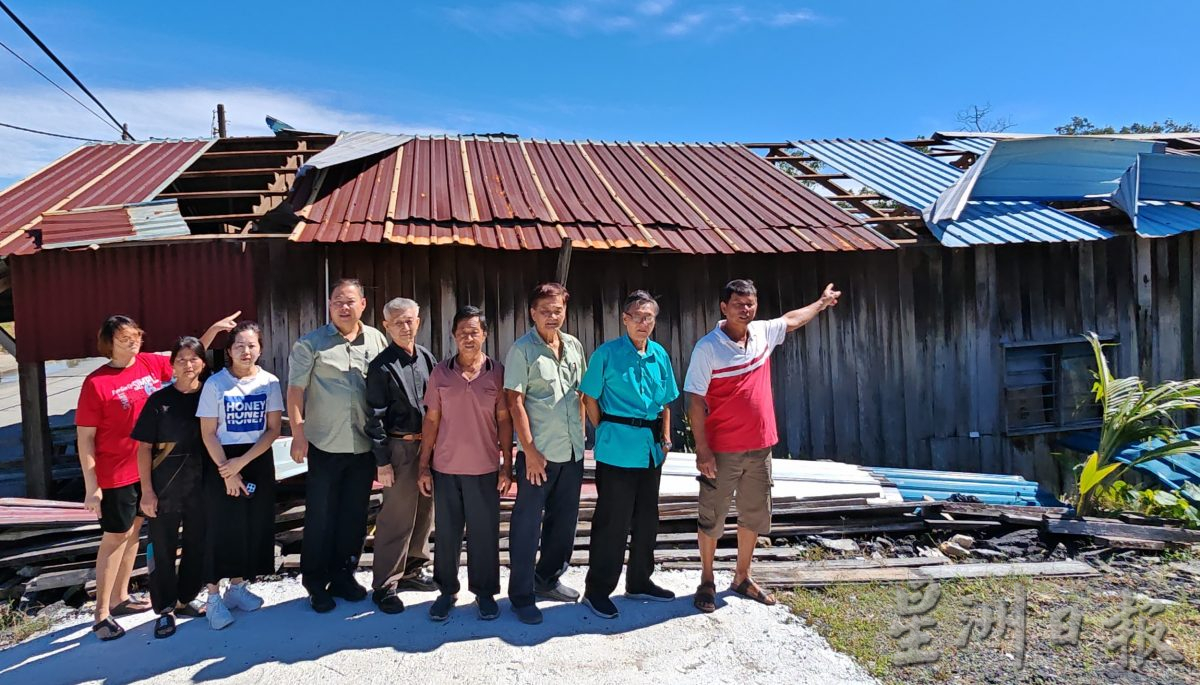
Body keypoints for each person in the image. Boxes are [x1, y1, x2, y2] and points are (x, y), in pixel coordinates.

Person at [77, 311, 239, 641]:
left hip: (154, 470)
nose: (133, 342)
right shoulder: (96, 383)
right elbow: (85, 438)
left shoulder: (150, 363)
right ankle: (101, 614)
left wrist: (212, 329)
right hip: (116, 473)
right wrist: (91, 486)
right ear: (109, 344)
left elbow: (188, 360)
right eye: (124, 338)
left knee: (135, 534)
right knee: (116, 537)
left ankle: (122, 597)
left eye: (136, 335)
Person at [684, 279, 840, 613]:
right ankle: (707, 579)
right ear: (723, 307)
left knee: (753, 513)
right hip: (722, 448)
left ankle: (742, 576)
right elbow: (695, 400)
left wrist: (821, 302)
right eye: (739, 303)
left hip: (760, 446)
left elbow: (793, 319)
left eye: (751, 303)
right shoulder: (707, 348)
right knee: (713, 514)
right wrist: (702, 449)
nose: (746, 309)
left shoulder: (762, 334)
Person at [288, 278, 388, 612]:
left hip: (362, 446)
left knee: (354, 516)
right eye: (336, 301)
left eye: (349, 301)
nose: (343, 307)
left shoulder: (375, 339)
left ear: (363, 304)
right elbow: (295, 391)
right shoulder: (311, 344)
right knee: (321, 516)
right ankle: (316, 583)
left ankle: (345, 575)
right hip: (325, 444)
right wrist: (299, 433)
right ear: (329, 306)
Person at [580, 291, 679, 619]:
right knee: (612, 523)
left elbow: (666, 401)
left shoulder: (659, 354)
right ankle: (597, 590)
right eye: (637, 316)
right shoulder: (607, 355)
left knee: (646, 520)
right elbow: (589, 398)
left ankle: (639, 580)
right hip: (617, 450)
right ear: (624, 319)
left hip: (650, 452)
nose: (643, 323)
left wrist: (665, 438)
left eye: (648, 317)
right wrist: (605, 429)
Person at [416, 306, 513, 622]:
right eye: (462, 333)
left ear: (484, 334)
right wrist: (423, 465)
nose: (468, 338)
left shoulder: (496, 372)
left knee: (484, 535)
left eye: (474, 331)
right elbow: (431, 421)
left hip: (484, 468)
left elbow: (504, 420)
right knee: (447, 534)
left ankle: (485, 594)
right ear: (454, 336)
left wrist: (506, 464)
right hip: (446, 468)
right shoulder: (441, 373)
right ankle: (446, 591)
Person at [504, 282, 587, 625]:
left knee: (564, 522)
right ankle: (522, 595)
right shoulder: (522, 350)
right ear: (532, 313)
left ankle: (547, 579)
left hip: (571, 451)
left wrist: (581, 435)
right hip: (538, 455)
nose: (552, 317)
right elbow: (514, 401)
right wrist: (530, 451)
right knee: (527, 525)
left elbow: (581, 394)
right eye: (545, 311)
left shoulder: (573, 345)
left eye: (557, 310)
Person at [197, 321, 284, 630]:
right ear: (229, 351)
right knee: (220, 527)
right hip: (220, 459)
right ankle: (212, 597)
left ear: (260, 348)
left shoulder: (270, 382)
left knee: (250, 524)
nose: (246, 351)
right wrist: (227, 471)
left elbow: (273, 429)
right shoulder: (215, 384)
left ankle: (237, 587)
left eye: (252, 345)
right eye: (239, 346)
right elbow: (207, 433)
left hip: (256, 458)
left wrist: (242, 463)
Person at [132, 337, 210, 639]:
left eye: (194, 359)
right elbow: (143, 449)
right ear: (172, 364)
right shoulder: (159, 402)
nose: (188, 365)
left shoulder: (211, 395)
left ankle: (186, 598)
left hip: (201, 488)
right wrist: (147, 492)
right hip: (164, 489)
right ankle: (164, 608)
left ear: (203, 363)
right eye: (181, 359)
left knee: (197, 546)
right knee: (162, 551)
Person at [364, 297, 438, 614]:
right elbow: (374, 418)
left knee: (425, 511)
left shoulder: (426, 358)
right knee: (396, 517)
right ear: (386, 326)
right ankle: (385, 584)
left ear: (418, 321)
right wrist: (382, 461)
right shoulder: (381, 366)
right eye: (398, 322)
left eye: (410, 320)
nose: (406, 327)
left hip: (428, 444)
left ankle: (413, 569)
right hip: (398, 448)